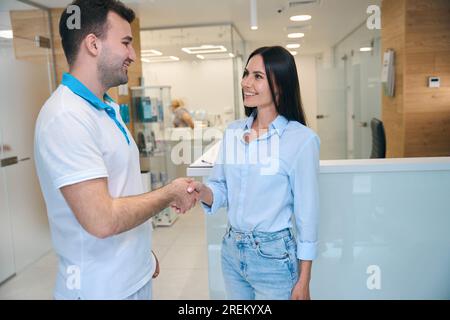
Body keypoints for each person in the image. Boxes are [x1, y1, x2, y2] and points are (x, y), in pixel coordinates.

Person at [34, 0, 196, 300]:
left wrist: (141, 257)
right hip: (100, 289)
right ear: (93, 44)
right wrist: (169, 193)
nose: (132, 55)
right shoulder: (66, 116)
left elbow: (122, 190)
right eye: (125, 43)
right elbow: (103, 219)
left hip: (131, 277)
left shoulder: (106, 107)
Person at [184, 46, 320, 300]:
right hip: (232, 252)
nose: (246, 82)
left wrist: (304, 279)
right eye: (246, 74)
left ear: (280, 84)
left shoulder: (301, 140)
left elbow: (307, 215)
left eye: (257, 77)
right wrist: (203, 191)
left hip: (274, 258)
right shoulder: (234, 132)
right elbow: (221, 189)